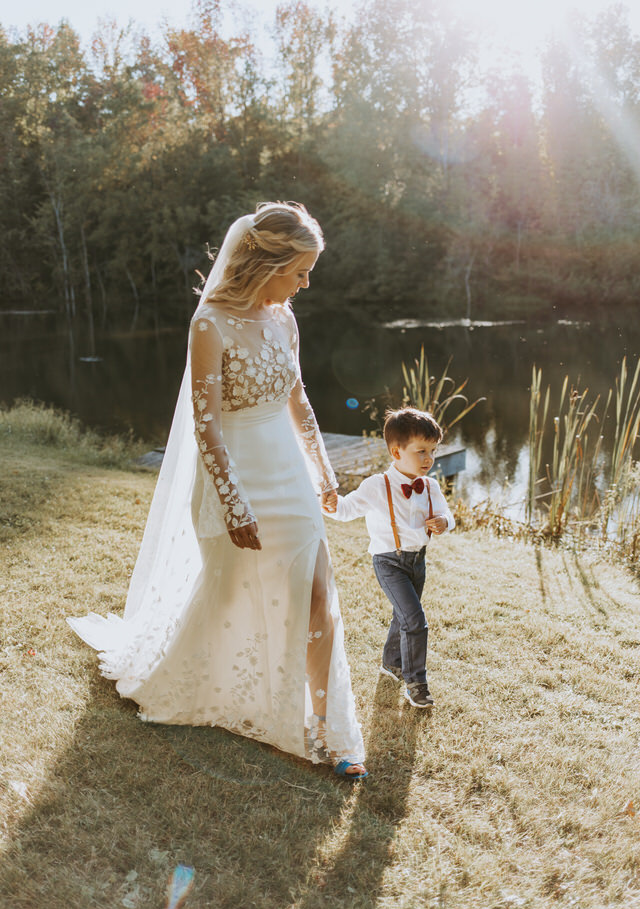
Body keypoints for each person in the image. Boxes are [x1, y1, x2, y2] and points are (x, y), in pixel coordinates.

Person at [67, 202, 367, 781]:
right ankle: (206, 678)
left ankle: (331, 726)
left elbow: (297, 397)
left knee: (316, 596)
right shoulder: (209, 325)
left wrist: (324, 471)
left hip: (289, 474)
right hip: (236, 472)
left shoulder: (284, 319)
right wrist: (233, 502)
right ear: (265, 261)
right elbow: (206, 424)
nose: (305, 283)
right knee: (228, 592)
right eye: (299, 270)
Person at [323, 407, 454, 708]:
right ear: (396, 451)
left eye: (432, 451)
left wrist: (445, 522)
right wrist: (330, 504)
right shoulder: (375, 486)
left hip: (417, 562)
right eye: (420, 451)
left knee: (402, 616)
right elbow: (345, 510)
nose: (428, 459)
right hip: (389, 561)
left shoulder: (431, 486)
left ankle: (390, 664)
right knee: (415, 620)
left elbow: (447, 514)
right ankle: (416, 683)